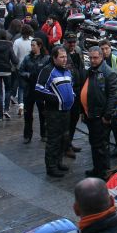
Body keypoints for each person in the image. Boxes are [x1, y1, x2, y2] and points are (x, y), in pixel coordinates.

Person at [35, 46, 75, 178]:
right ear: (54, 58)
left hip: (66, 111)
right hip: (54, 112)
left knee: (64, 138)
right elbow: (39, 88)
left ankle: (58, 162)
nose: (65, 60)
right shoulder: (47, 71)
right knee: (53, 140)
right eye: (61, 57)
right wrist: (56, 99)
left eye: (65, 57)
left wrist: (72, 95)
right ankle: (51, 167)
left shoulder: (67, 71)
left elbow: (71, 86)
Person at [80, 46, 117, 179]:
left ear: (101, 57)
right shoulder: (91, 71)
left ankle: (104, 172)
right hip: (91, 114)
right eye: (90, 58)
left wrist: (107, 115)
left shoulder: (109, 73)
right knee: (94, 144)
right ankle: (97, 169)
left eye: (95, 57)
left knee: (102, 145)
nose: (92, 60)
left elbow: (113, 96)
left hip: (100, 117)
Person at [20, 39, 50, 144]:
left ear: (39, 46)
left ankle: (44, 134)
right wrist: (28, 75)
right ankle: (27, 135)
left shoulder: (46, 58)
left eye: (33, 45)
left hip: (41, 90)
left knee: (43, 113)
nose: (32, 47)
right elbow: (21, 70)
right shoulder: (27, 58)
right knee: (27, 114)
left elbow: (49, 72)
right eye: (31, 45)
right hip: (29, 89)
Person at [62, 34, 85, 154]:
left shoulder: (78, 51)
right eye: (70, 42)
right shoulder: (61, 53)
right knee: (66, 122)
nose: (72, 45)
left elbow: (81, 68)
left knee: (74, 119)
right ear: (65, 42)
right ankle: (65, 147)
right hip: (67, 92)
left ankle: (69, 143)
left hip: (78, 90)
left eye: (73, 42)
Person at [0, 29, 19, 120]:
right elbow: (14, 59)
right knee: (8, 90)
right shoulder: (9, 45)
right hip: (7, 70)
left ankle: (0, 115)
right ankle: (6, 109)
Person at [13, 24, 34, 116]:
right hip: (31, 66)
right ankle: (29, 103)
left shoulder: (17, 42)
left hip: (19, 66)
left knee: (21, 87)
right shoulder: (33, 41)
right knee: (30, 85)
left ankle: (21, 104)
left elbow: (14, 54)